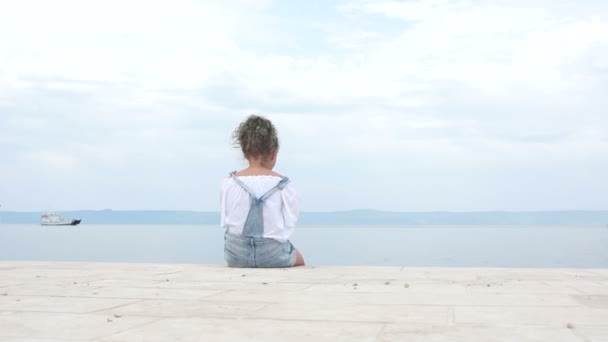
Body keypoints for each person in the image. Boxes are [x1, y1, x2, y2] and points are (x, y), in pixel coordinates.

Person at [220, 115, 305, 267]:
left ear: (245, 153)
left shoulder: (229, 182)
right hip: (271, 254)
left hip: (235, 255)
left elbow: (226, 219)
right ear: (273, 153)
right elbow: (289, 222)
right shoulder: (284, 184)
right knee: (299, 258)